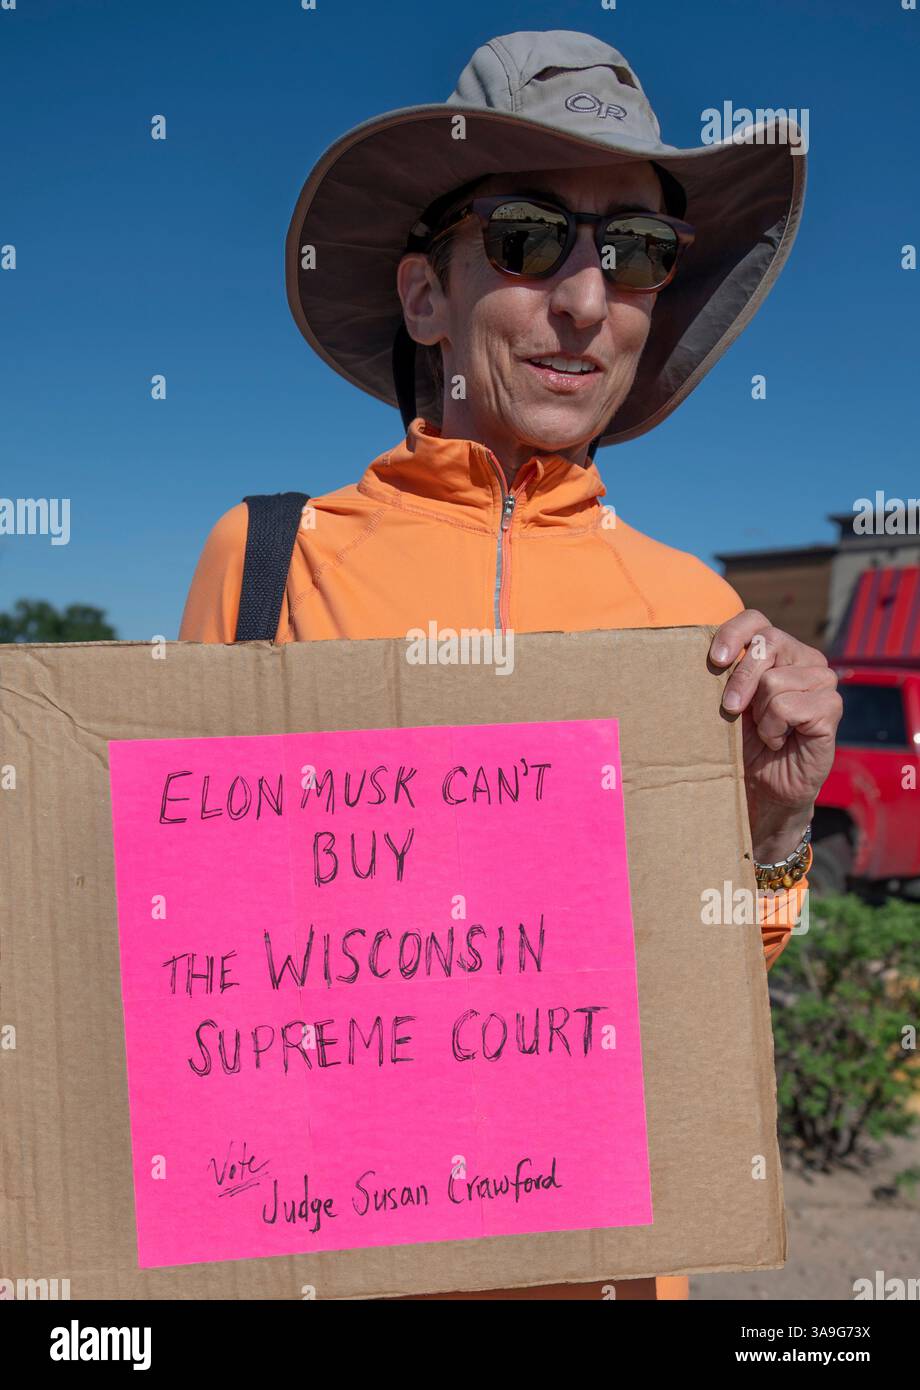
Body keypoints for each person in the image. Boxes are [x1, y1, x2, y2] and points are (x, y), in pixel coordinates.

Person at [180, 30, 842, 1300]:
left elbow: (694, 1003)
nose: (586, 302)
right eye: (531, 238)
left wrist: (768, 831)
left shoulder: (692, 612)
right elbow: (192, 971)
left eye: (638, 254)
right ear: (425, 296)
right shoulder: (265, 562)